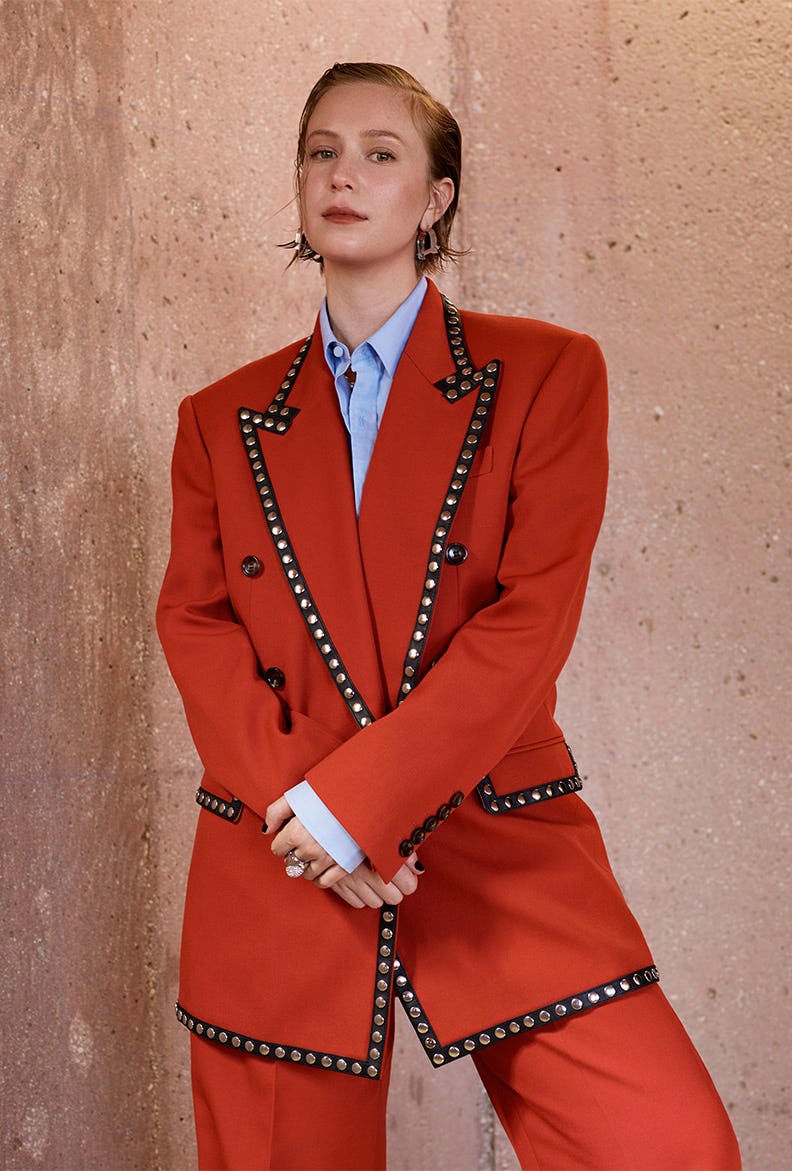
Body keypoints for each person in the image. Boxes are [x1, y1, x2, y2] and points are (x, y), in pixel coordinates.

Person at [157, 61, 741, 1171]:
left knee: (666, 1146)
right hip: (281, 851)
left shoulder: (546, 374)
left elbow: (528, 627)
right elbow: (196, 628)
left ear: (434, 199)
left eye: (382, 153)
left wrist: (356, 810)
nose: (344, 173)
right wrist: (315, 822)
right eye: (321, 150)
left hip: (490, 829)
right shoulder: (219, 419)